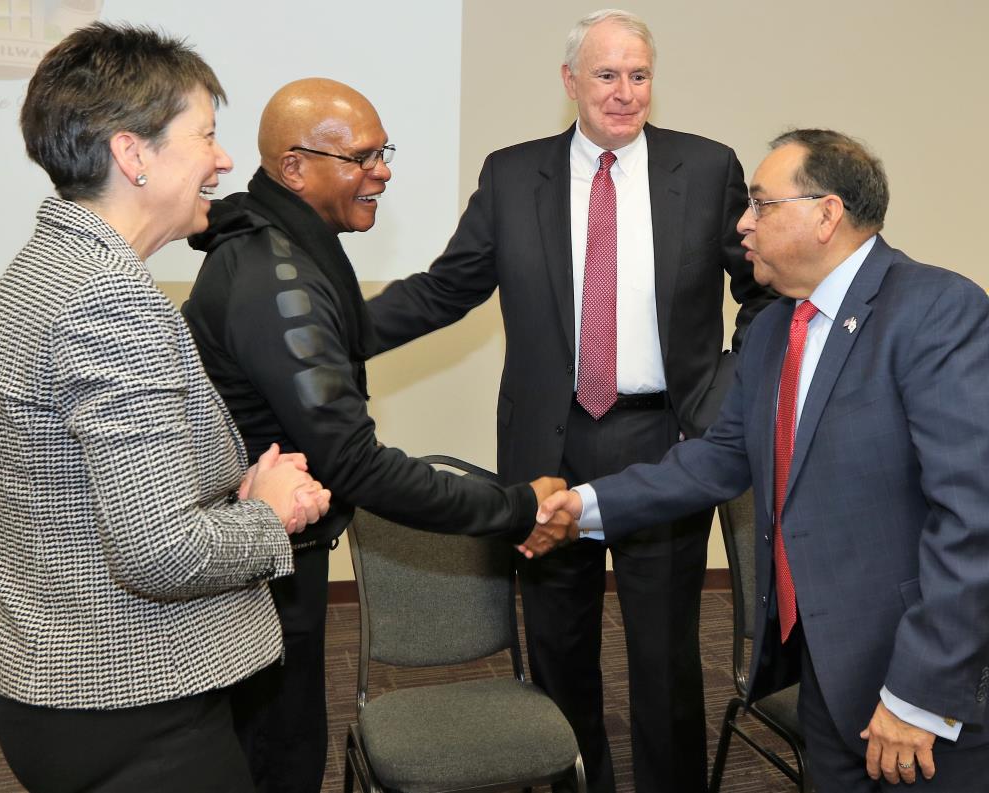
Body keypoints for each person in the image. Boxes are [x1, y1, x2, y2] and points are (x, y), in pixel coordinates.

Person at [365, 9, 772, 792]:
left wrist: (723, 395)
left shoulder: (709, 166)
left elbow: (762, 292)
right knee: (558, 646)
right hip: (548, 449)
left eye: (640, 75)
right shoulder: (515, 173)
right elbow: (447, 289)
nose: (625, 93)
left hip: (665, 445)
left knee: (662, 654)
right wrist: (332, 334)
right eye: (607, 75)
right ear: (570, 82)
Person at [537, 129, 989, 792]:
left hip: (918, 681)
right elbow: (719, 458)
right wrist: (584, 506)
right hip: (823, 670)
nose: (743, 223)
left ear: (826, 214)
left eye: (760, 204)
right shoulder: (777, 326)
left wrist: (919, 691)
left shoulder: (935, 310)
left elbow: (973, 519)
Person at [0, 23, 333, 793]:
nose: (225, 160)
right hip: (134, 704)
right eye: (205, 135)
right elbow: (160, 552)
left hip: (60, 686)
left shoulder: (42, 268)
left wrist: (224, 490)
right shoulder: (109, 299)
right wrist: (272, 513)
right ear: (132, 154)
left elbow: (84, 493)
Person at [181, 77, 576, 793]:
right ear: (295, 167)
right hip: (257, 576)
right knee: (279, 760)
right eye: (362, 157)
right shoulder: (276, 278)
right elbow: (355, 462)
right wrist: (514, 507)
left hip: (268, 562)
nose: (383, 171)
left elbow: (353, 334)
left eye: (381, 152)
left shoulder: (279, 249)